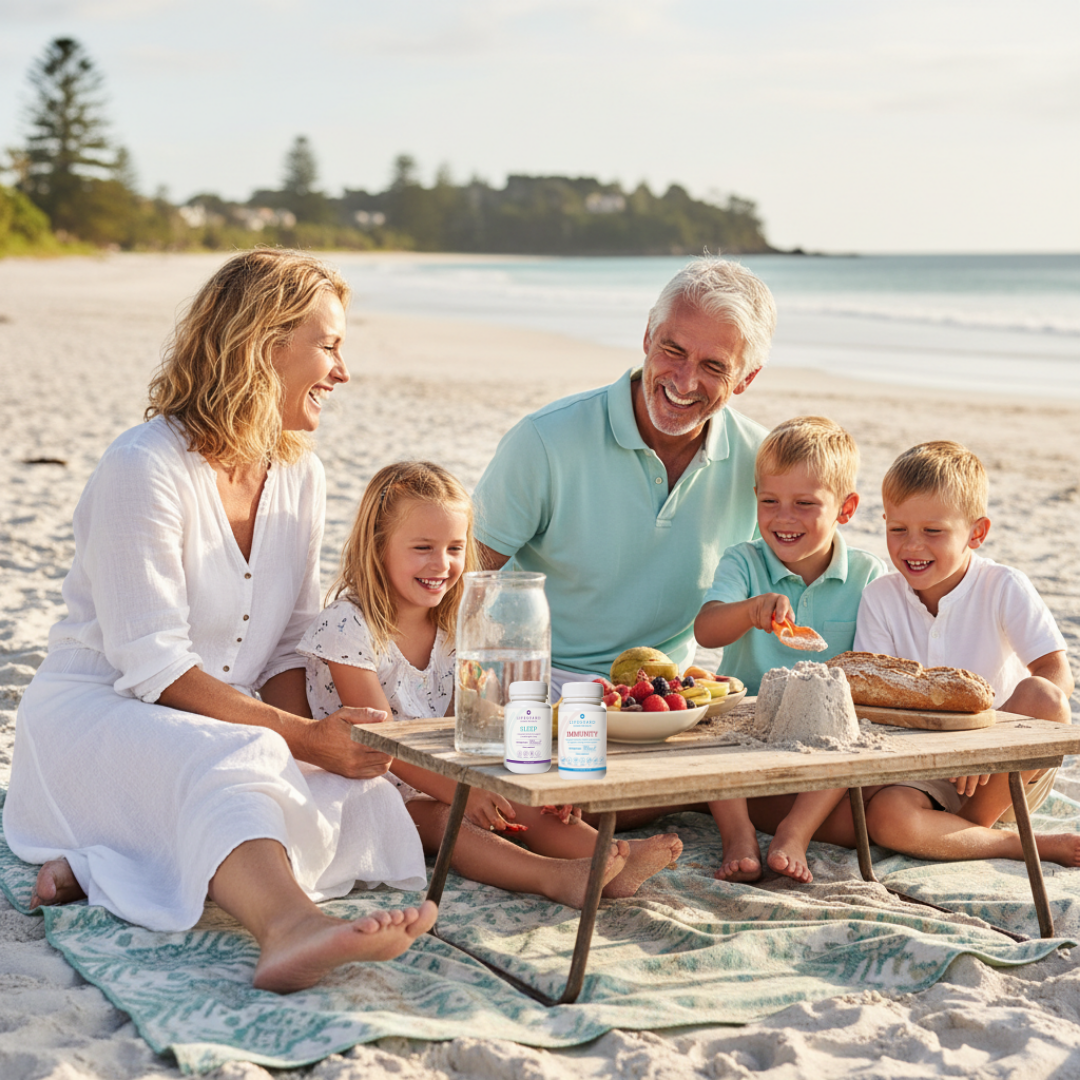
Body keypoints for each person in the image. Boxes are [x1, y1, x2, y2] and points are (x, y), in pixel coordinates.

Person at [2, 249, 437, 995]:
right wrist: (295, 738)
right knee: (238, 761)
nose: (342, 371)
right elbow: (152, 667)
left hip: (226, 720)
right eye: (328, 345)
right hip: (100, 713)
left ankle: (116, 861)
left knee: (347, 786)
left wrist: (318, 747)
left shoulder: (301, 473)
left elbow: (294, 642)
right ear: (264, 345)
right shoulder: (144, 467)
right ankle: (289, 928)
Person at [298, 461, 684, 907]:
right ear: (378, 545)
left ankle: (610, 857)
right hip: (369, 781)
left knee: (521, 796)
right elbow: (380, 741)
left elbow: (478, 725)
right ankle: (553, 876)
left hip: (438, 770)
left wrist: (533, 781)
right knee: (450, 820)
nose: (441, 564)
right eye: (422, 547)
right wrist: (461, 789)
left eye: (455, 548)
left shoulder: (459, 627)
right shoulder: (348, 627)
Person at [471, 256, 778, 697]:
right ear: (648, 334)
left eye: (714, 366)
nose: (685, 380)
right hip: (535, 685)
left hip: (664, 696)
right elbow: (462, 583)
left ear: (746, 378)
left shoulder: (762, 463)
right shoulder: (543, 440)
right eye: (673, 349)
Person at [852, 440, 1078, 865]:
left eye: (933, 531)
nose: (911, 547)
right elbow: (874, 699)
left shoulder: (1003, 585)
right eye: (897, 529)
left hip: (1007, 771)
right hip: (928, 768)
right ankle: (1005, 843)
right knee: (885, 817)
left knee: (1044, 696)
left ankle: (971, 824)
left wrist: (986, 745)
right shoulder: (880, 597)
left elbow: (1058, 675)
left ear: (977, 532)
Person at [693, 416, 887, 883]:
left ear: (846, 508)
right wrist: (750, 611)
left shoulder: (866, 575)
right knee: (705, 729)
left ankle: (794, 832)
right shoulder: (744, 560)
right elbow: (706, 630)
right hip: (748, 720)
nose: (783, 518)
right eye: (769, 501)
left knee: (855, 743)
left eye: (805, 504)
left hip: (824, 728)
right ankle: (737, 833)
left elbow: (871, 667)